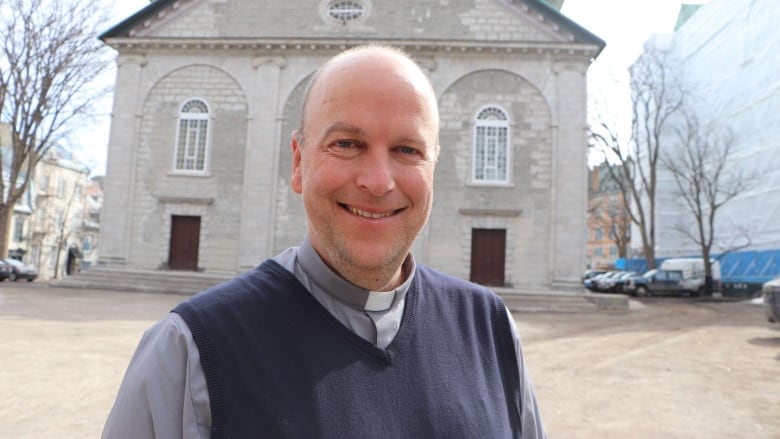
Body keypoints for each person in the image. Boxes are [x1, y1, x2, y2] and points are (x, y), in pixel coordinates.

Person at [102, 45, 546, 439]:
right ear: (298, 163)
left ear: (433, 168)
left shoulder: (491, 330)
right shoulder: (193, 351)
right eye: (347, 143)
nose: (377, 181)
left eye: (407, 149)